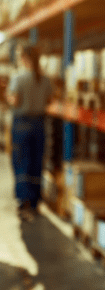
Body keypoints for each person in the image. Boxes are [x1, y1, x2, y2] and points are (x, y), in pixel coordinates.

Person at [6, 44, 52, 222]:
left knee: (21, 162)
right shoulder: (44, 79)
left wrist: (9, 97)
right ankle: (34, 203)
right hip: (39, 124)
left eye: (19, 54)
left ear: (25, 57)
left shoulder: (18, 78)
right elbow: (49, 99)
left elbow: (15, 101)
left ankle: (24, 204)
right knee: (36, 162)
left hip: (22, 124)